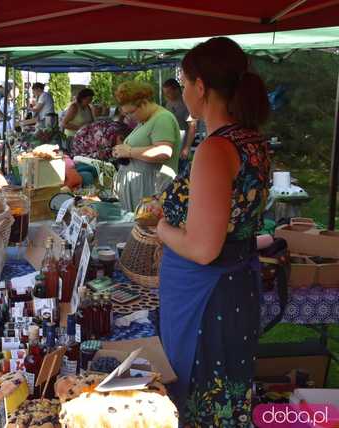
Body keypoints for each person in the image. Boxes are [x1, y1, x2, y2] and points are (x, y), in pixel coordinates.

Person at [157, 37, 270, 425]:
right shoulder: (250, 139)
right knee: (228, 391)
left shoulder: (216, 149)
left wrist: (162, 229)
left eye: (184, 82)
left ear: (200, 86)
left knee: (203, 395)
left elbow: (204, 247)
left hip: (208, 297)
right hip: (233, 288)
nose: (183, 90)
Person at [111, 80, 182, 213]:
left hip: (151, 188)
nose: (129, 118)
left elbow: (164, 151)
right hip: (144, 188)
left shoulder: (162, 118)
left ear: (144, 103)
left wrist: (130, 152)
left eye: (130, 112)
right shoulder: (147, 119)